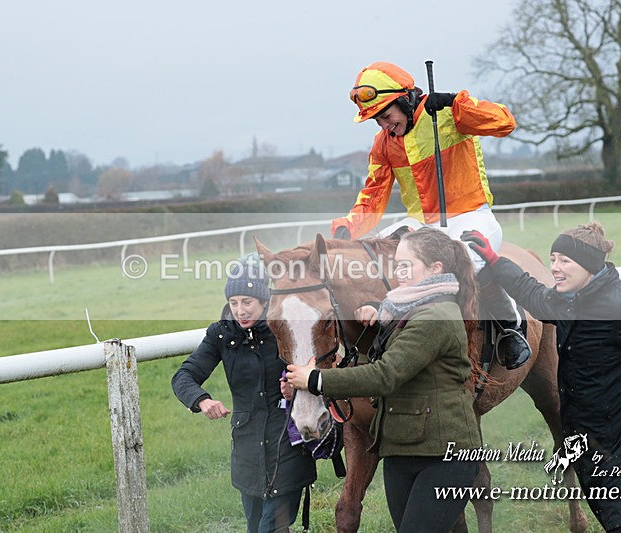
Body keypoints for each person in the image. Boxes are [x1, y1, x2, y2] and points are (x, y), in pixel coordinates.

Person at [462, 223, 621, 532]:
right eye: (553, 258)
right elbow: (531, 292)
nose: (554, 268)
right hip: (594, 444)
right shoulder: (569, 299)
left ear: (589, 265)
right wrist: (494, 260)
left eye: (564, 261)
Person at [331, 60, 530, 370]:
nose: (385, 126)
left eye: (386, 116)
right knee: (375, 253)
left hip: (471, 217)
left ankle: (510, 327)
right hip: (424, 226)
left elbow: (505, 123)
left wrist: (455, 103)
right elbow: (372, 195)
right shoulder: (384, 143)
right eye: (377, 121)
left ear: (405, 100)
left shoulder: (449, 115)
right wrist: (348, 227)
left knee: (461, 265)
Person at [286, 227, 482, 533]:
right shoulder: (402, 309)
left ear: (435, 270)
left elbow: (386, 375)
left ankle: (510, 333)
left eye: (406, 266)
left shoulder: (437, 317)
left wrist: (317, 380)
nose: (397, 273)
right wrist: (380, 311)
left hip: (444, 456)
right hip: (403, 452)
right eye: (396, 264)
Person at [171, 253, 316, 533]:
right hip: (247, 450)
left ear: (265, 301)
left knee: (269, 529)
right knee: (256, 527)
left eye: (247, 302)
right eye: (234, 303)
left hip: (288, 444)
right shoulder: (220, 335)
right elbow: (183, 376)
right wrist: (201, 400)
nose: (240, 311)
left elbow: (318, 373)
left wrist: (295, 388)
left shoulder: (289, 327)